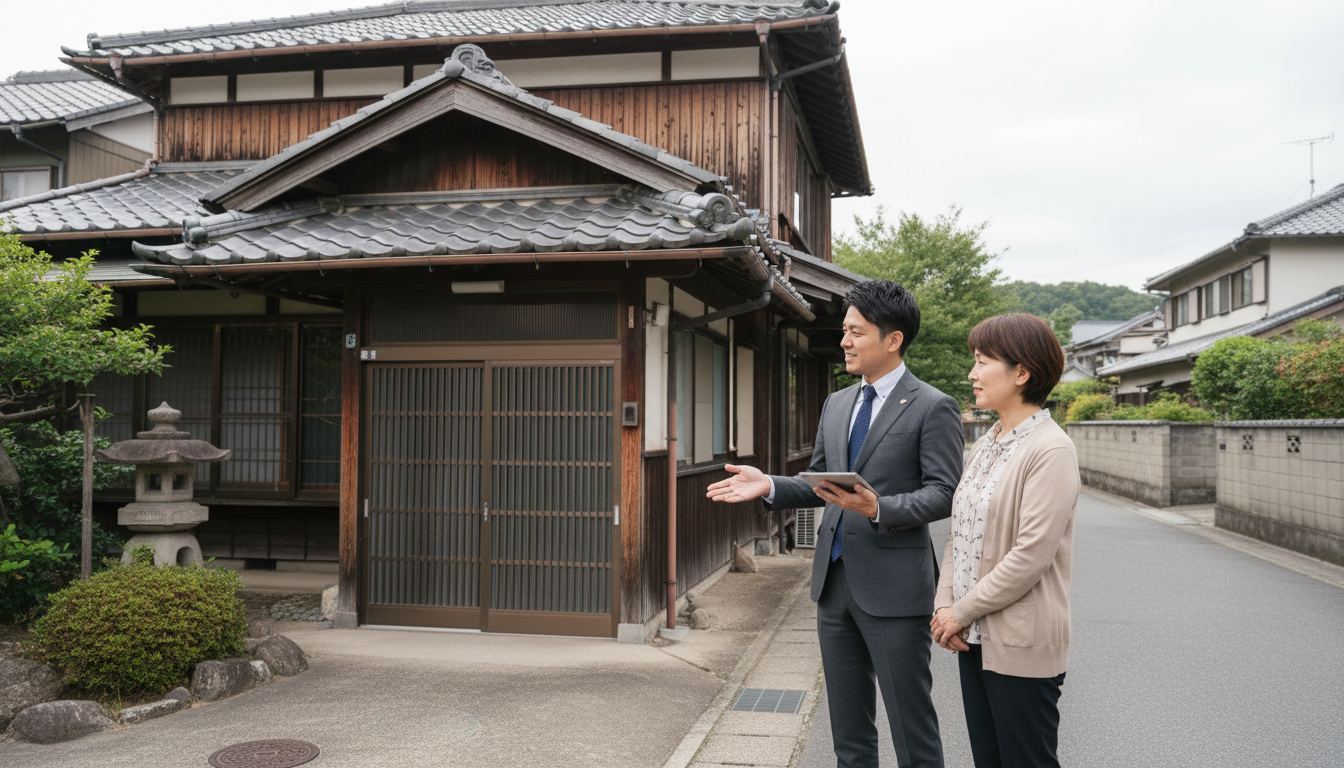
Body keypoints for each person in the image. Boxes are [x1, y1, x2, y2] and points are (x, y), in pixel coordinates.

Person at [707, 280, 963, 768]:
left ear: (893, 339)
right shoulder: (837, 403)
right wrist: (772, 486)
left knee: (912, 730)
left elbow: (945, 492)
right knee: (848, 731)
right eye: (844, 330)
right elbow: (823, 484)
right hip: (833, 583)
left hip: (895, 588)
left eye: (855, 331)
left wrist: (879, 508)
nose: (844, 341)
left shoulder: (933, 405)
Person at [929, 313, 1079, 768]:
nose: (972, 374)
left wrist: (960, 611)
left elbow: (1029, 557)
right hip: (973, 636)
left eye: (982, 361)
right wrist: (944, 608)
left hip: (1020, 641)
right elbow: (959, 533)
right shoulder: (987, 443)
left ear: (1021, 372)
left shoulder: (1050, 449)